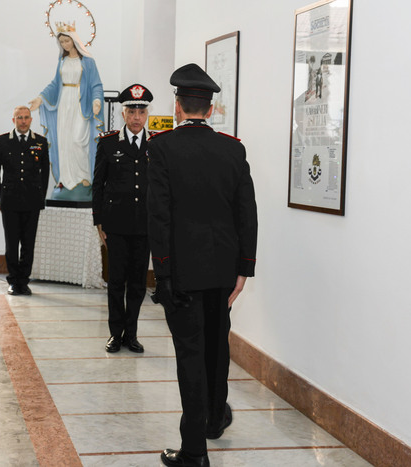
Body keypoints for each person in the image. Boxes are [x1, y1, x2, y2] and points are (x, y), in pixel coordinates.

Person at [147, 63, 258, 467]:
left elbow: (157, 217)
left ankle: (194, 450)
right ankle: (214, 419)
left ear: (178, 107)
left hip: (183, 275)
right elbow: (247, 212)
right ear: (210, 110)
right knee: (216, 350)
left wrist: (163, 274)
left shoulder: (161, 149)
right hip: (223, 273)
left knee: (191, 357)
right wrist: (244, 269)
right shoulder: (233, 149)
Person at [92, 83, 153, 353]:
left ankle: (132, 333)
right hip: (115, 226)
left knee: (138, 284)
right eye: (131, 111)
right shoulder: (107, 143)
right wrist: (98, 221)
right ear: (123, 113)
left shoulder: (157, 144)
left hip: (144, 226)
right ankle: (115, 334)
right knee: (116, 282)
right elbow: (98, 185)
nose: (136, 117)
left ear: (147, 113)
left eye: (141, 111)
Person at [28, 22, 103, 201]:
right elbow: (55, 84)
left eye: (67, 41)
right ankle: (66, 180)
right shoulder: (62, 61)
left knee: (79, 140)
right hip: (64, 105)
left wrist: (97, 100)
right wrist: (40, 98)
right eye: (61, 42)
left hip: (80, 106)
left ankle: (84, 178)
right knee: (65, 142)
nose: (64, 45)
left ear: (74, 41)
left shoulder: (88, 62)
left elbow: (96, 84)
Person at [0, 105, 50, 295]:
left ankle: (24, 281)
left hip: (32, 200)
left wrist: (41, 197)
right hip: (10, 201)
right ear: (13, 120)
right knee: (11, 242)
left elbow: (45, 173)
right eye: (19, 118)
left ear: (31, 120)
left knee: (28, 243)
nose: (23, 121)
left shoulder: (40, 142)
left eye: (26, 117)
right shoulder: (2, 142)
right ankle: (13, 280)